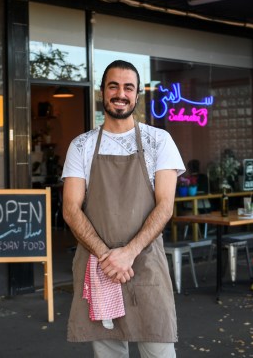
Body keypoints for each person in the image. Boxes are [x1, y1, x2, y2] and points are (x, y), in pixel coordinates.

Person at [62, 60, 185, 357]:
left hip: (145, 262)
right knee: (109, 353)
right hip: (99, 265)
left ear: (137, 95)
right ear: (102, 92)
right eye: (113, 86)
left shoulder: (159, 141)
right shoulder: (81, 146)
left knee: (159, 348)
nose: (121, 94)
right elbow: (70, 209)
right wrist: (107, 257)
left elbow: (165, 206)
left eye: (128, 87)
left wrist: (128, 253)